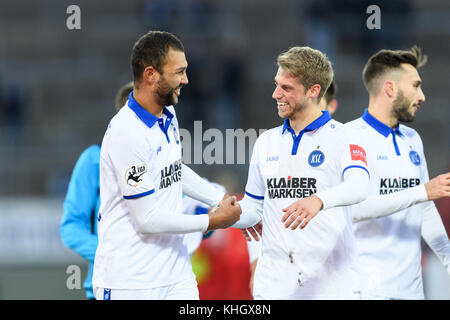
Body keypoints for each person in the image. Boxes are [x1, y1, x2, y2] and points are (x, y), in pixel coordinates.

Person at [92, 31, 241, 300]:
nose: (186, 79)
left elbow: (174, 170)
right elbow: (147, 219)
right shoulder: (127, 134)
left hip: (177, 275)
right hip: (132, 282)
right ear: (151, 75)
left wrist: (220, 198)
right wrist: (210, 221)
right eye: (179, 72)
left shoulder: (167, 113)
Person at [233, 46, 370, 299]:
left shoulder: (345, 137)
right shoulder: (266, 142)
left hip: (332, 286)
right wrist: (234, 214)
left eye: (286, 88)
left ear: (314, 91)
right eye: (276, 85)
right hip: (275, 285)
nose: (275, 94)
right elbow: (254, 207)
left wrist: (318, 200)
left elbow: (360, 186)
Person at [345, 46, 450, 300]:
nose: (422, 95)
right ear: (390, 89)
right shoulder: (348, 137)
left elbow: (424, 209)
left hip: (412, 291)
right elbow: (354, 210)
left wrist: (448, 258)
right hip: (367, 290)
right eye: (415, 86)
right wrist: (420, 192)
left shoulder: (412, 139)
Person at [60, 81, 134, 299]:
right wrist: (109, 253)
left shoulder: (165, 162)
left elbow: (182, 214)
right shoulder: (94, 160)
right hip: (108, 289)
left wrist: (206, 221)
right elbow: (71, 226)